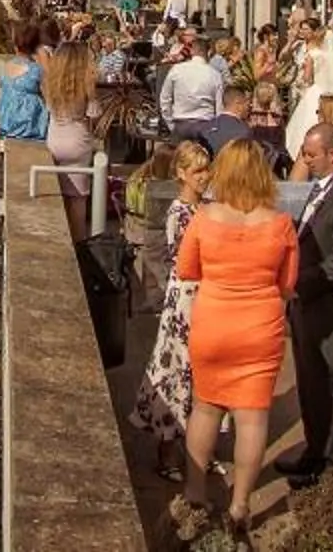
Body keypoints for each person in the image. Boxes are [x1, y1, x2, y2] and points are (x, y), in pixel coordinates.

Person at [174, 140, 299, 539]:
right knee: (253, 417)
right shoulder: (281, 224)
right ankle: (241, 504)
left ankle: (195, 493)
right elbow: (288, 285)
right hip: (260, 329)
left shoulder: (204, 217)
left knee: (205, 408)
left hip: (213, 323)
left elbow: (186, 269)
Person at [277, 123, 333, 489]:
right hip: (307, 305)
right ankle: (315, 450)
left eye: (311, 154)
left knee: (324, 385)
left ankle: (329, 461)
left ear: (332, 154)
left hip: (327, 307)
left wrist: (300, 284)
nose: (306, 160)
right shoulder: (318, 190)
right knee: (309, 382)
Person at [128, 141, 211, 458]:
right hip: (186, 300)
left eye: (206, 169)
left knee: (199, 374)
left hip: (204, 298)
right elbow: (185, 260)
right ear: (181, 173)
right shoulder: (179, 212)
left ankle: (199, 448)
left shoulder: (205, 208)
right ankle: (168, 452)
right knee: (176, 373)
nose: (204, 176)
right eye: (197, 170)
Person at [285, 18, 333, 156]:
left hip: (315, 90)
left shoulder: (312, 55)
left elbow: (307, 79)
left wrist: (301, 79)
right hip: (328, 90)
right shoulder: (329, 56)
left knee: (305, 122)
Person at [41, 35, 101, 193]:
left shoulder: (50, 85)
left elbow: (48, 109)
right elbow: (94, 115)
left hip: (54, 141)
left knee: (55, 192)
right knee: (77, 197)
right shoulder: (86, 86)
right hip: (77, 143)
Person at [160, 32, 227, 136]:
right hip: (205, 126)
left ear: (191, 51)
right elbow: (219, 108)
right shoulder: (215, 75)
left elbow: (165, 99)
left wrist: (171, 124)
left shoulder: (176, 70)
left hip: (181, 124)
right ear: (209, 52)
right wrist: (216, 130)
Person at [0, 24, 51, 142]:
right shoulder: (36, 70)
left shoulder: (5, 68)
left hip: (5, 123)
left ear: (16, 46)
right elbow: (49, 97)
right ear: (36, 47)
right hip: (29, 126)